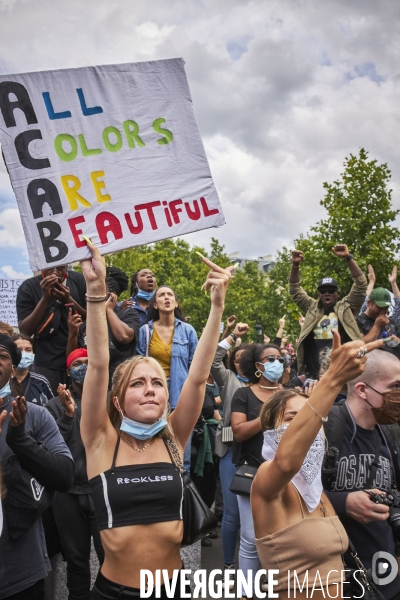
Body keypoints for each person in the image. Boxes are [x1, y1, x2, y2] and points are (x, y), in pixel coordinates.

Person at [79, 241, 232, 599]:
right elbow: (99, 364)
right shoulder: (101, 440)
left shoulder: (174, 436)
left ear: (167, 397)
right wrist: (95, 291)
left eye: (157, 383)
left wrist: (217, 307)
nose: (150, 390)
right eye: (138, 383)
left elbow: (196, 375)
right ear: (117, 400)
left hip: (176, 588)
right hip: (114, 592)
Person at [251, 332, 383, 598]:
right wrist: (333, 379)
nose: (309, 429)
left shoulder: (314, 488)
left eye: (311, 419)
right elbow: (287, 460)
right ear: (270, 429)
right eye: (291, 418)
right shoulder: (268, 479)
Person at [322, 347, 400, 600]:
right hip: (333, 572)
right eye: (395, 387)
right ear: (363, 390)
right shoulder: (323, 428)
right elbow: (284, 491)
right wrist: (343, 503)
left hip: (384, 568)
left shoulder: (391, 433)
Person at [0, 334, 74, 599]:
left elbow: (65, 475)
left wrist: (20, 441)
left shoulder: (36, 415)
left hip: (21, 571)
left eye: (3, 356)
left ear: (13, 368)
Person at [47, 348, 104, 600]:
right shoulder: (52, 405)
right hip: (67, 495)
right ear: (69, 371)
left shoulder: (108, 401)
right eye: (77, 363)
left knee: (110, 559)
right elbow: (50, 450)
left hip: (101, 491)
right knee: (76, 561)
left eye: (87, 362)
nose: (83, 367)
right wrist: (68, 416)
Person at [231, 342, 284, 598]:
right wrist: (268, 411)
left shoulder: (290, 394)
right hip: (251, 474)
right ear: (258, 365)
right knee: (251, 539)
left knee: (282, 539)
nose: (276, 362)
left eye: (280, 357)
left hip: (286, 475)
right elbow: (239, 433)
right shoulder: (243, 395)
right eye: (270, 358)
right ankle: (246, 593)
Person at [136, 285, 198, 471]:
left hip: (181, 393)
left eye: (170, 295)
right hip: (154, 392)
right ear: (155, 304)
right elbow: (140, 364)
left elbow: (195, 365)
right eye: (161, 295)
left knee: (181, 448)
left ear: (176, 302)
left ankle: (182, 489)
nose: (166, 298)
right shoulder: (145, 331)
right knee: (152, 442)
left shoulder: (188, 331)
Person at [289, 244, 367, 378]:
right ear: (319, 295)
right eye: (323, 291)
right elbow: (295, 290)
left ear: (338, 293)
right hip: (314, 374)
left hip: (343, 371)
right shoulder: (311, 307)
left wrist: (348, 258)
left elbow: (360, 284)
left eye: (331, 291)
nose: (327, 294)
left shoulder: (348, 306)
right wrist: (295, 266)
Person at [211, 321, 250, 586]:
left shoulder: (271, 385)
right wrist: (232, 337)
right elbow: (214, 361)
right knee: (232, 515)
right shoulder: (229, 380)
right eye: (235, 358)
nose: (239, 362)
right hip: (230, 454)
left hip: (260, 456)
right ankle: (227, 564)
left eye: (245, 358)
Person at [16, 265, 86, 394]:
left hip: (76, 358)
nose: (54, 272)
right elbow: (25, 330)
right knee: (50, 403)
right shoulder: (28, 287)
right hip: (46, 361)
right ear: (42, 267)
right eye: (50, 268)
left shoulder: (78, 280)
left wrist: (67, 299)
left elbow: (89, 315)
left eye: (60, 268)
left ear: (66, 267)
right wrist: (45, 298)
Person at [67, 266, 140, 382]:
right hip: (94, 384)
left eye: (98, 290)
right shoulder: (87, 321)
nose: (91, 295)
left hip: (120, 382)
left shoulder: (128, 314)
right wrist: (72, 333)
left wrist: (109, 310)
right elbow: (72, 357)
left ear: (113, 295)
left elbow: (124, 336)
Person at [11, 334, 53, 407]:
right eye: (19, 350)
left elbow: (52, 410)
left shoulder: (41, 381)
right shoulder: (3, 380)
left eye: (28, 350)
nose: (23, 353)